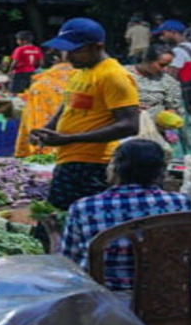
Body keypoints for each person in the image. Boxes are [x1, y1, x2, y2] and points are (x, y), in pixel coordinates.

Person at [33, 18, 140, 211]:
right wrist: (48, 128)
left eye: (76, 50)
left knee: (71, 222)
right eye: (67, 50)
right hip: (69, 160)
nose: (69, 56)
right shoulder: (81, 71)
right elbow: (69, 104)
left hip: (92, 165)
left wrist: (70, 138)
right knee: (56, 221)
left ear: (97, 47)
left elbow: (130, 125)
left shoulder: (113, 76)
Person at [59, 139, 191, 290]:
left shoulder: (84, 207)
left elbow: (69, 262)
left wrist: (52, 233)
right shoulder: (180, 203)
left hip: (103, 302)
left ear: (115, 168)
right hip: (164, 299)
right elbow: (188, 251)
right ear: (161, 171)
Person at [152, 20, 191, 155]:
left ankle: (177, 157)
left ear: (173, 33)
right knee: (188, 126)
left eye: (164, 33)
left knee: (174, 126)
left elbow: (171, 76)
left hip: (179, 93)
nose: (161, 37)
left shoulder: (178, 52)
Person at [126, 44, 183, 120]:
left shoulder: (168, 81)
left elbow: (175, 108)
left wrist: (168, 116)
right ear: (147, 60)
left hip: (154, 128)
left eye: (168, 65)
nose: (165, 69)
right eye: (162, 65)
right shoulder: (122, 74)